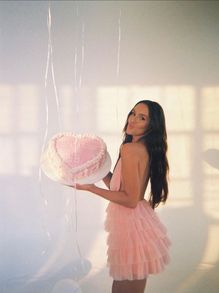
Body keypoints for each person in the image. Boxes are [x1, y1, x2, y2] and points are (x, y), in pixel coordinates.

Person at [70, 100, 171, 293]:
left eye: (142, 118)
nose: (133, 119)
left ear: (151, 125)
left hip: (131, 225)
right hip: (138, 222)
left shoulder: (131, 150)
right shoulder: (139, 147)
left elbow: (130, 200)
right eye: (132, 113)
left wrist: (91, 188)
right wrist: (97, 170)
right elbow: (120, 189)